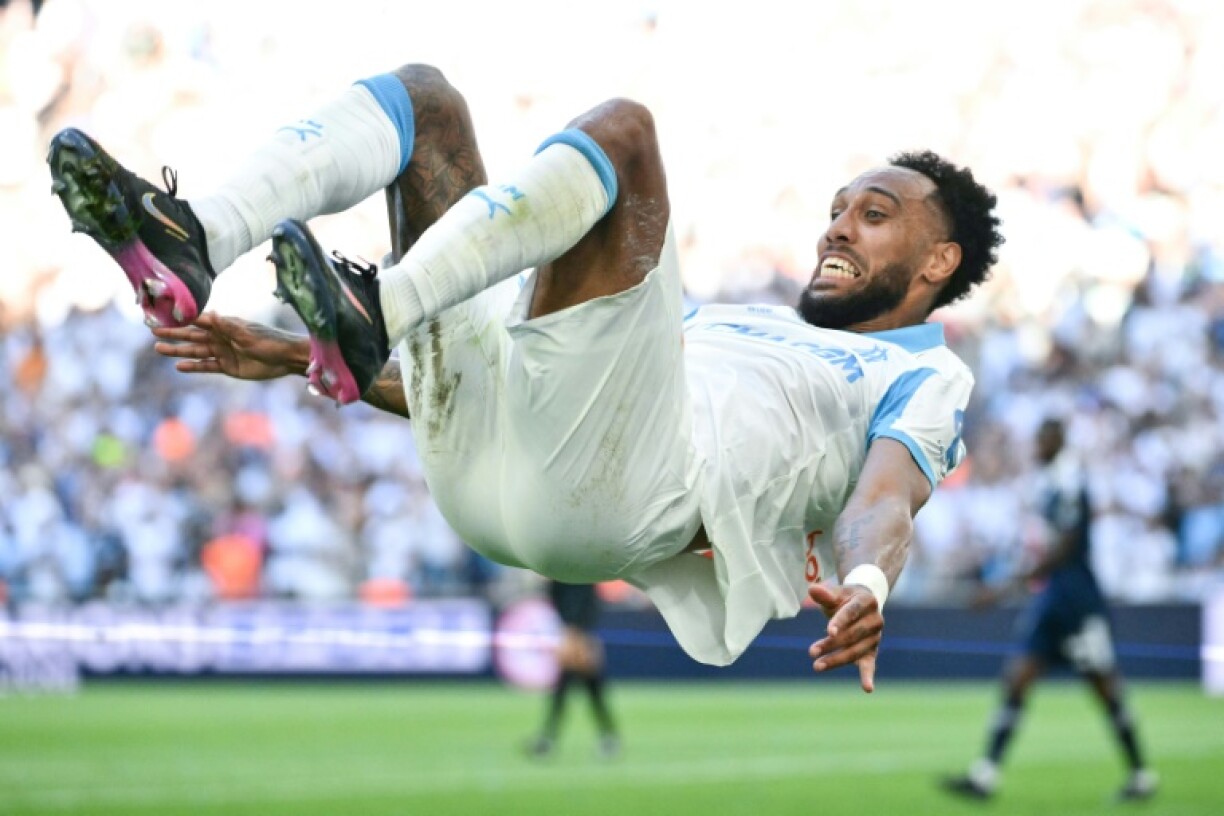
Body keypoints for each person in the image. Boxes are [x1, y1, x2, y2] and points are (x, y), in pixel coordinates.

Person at [47, 62, 1003, 687]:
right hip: (488, 473)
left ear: (937, 264)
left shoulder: (927, 377)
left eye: (874, 214)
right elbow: (528, 390)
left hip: (623, 503)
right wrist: (295, 354)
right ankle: (200, 235)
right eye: (838, 208)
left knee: (625, 136)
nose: (838, 225)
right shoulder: (740, 323)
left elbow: (885, 498)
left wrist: (870, 581)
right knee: (426, 111)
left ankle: (377, 310)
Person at [942, 418, 1158, 802]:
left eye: (1042, 439)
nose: (1036, 447)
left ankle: (1141, 774)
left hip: (1077, 600)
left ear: (1058, 440)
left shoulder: (1069, 480)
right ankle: (985, 775)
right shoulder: (1048, 482)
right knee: (1018, 678)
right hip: (1053, 598)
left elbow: (1067, 547)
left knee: (1105, 686)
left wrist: (1005, 587)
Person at [526, 580, 620, 760]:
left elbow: (588, 602)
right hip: (572, 633)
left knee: (583, 690)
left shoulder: (578, 574)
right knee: (581, 690)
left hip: (578, 635)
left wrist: (577, 633)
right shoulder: (563, 574)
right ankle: (607, 737)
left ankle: (550, 739)